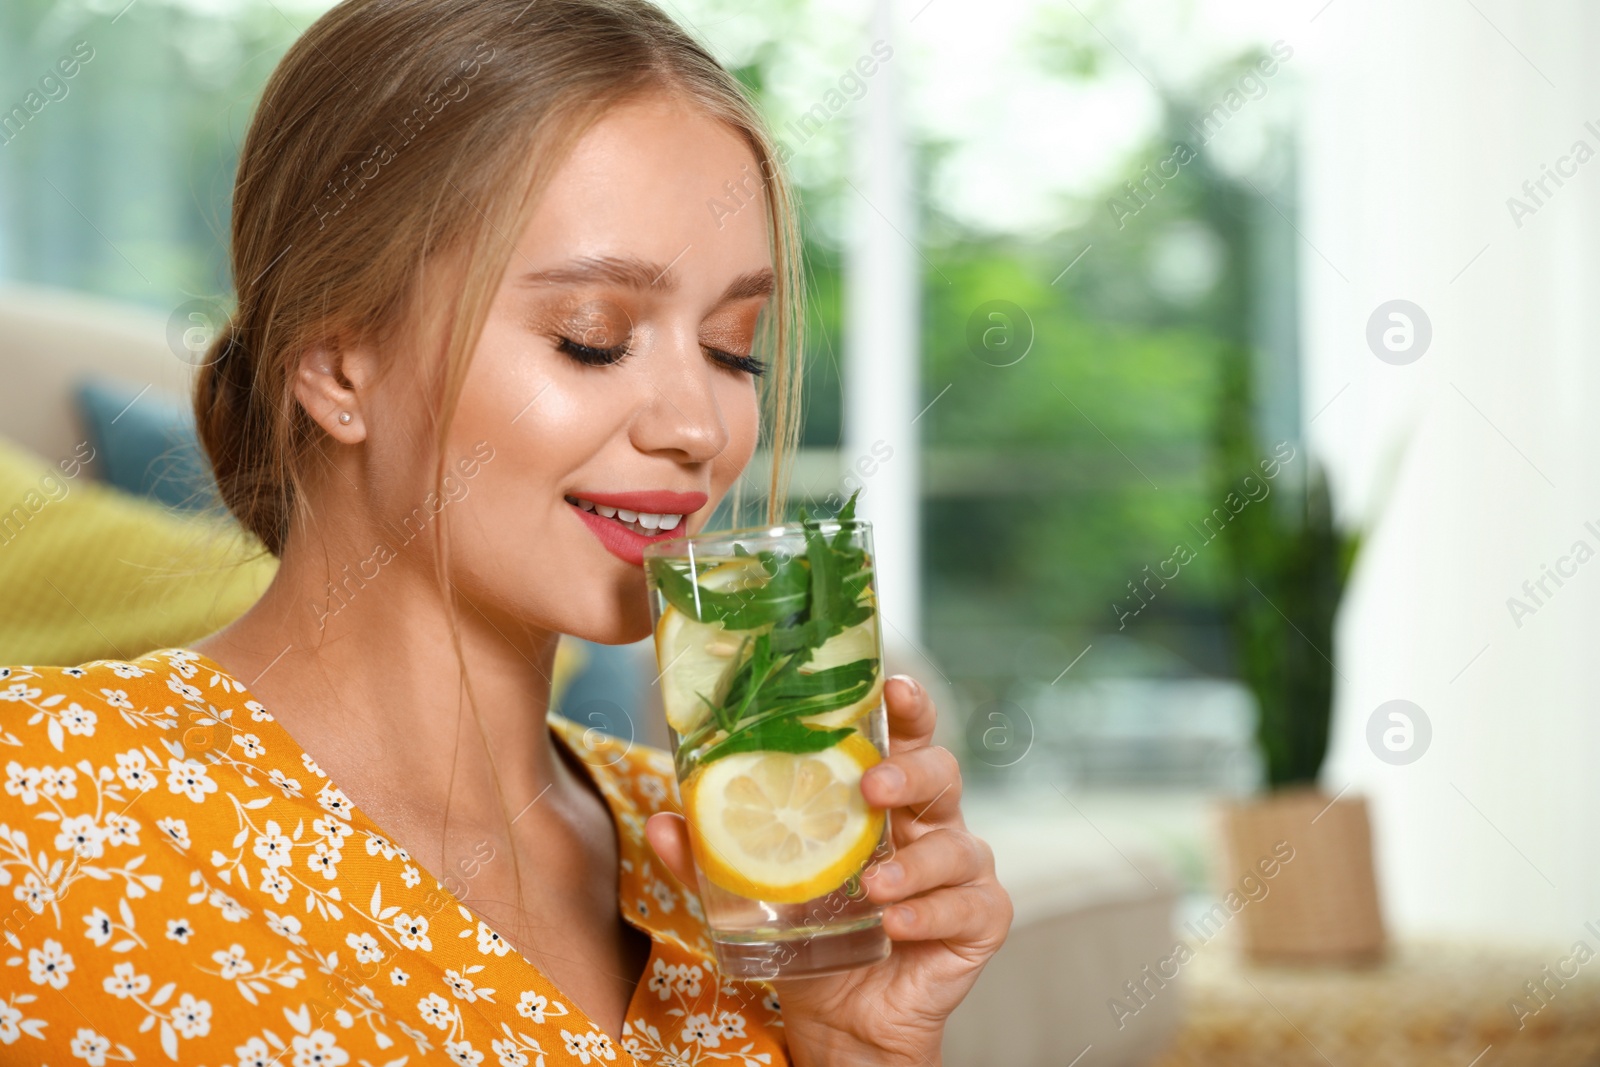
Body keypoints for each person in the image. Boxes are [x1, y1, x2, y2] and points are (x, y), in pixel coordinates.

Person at [0, 1, 1012, 1062]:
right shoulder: (44, 801)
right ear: (340, 366)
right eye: (593, 340)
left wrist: (851, 1044)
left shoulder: (739, 867)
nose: (700, 428)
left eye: (732, 350)